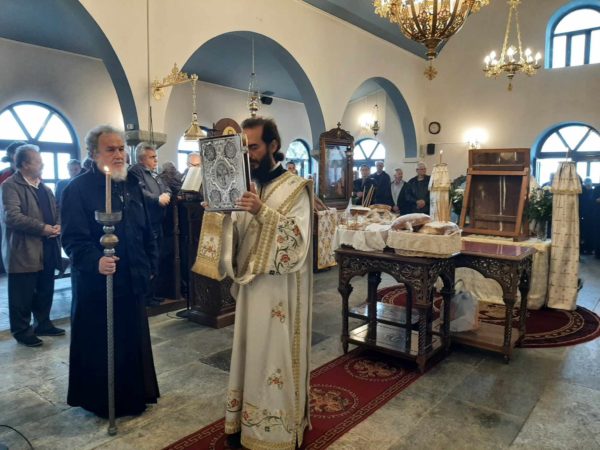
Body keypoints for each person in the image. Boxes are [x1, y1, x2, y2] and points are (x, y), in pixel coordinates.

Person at [195, 117, 312, 449]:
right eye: (243, 148)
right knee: (251, 353)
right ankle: (246, 421)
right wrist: (221, 214)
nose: (248, 155)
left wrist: (262, 211)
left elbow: (297, 243)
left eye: (254, 147)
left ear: (274, 145)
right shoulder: (247, 186)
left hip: (278, 293)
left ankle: (276, 429)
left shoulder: (296, 188)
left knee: (273, 355)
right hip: (250, 290)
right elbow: (238, 237)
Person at [61, 125, 159, 418]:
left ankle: (135, 396)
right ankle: (102, 401)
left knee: (131, 339)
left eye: (121, 149)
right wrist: (96, 261)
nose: (118, 155)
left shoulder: (131, 183)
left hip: (132, 276)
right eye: (110, 149)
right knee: (102, 343)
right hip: (98, 282)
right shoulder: (77, 189)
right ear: (94, 154)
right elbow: (72, 239)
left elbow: (145, 228)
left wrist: (150, 263)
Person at [0, 144, 63, 347]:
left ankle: (43, 323)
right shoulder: (10, 185)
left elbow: (56, 209)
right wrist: (43, 228)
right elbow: (12, 216)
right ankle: (22, 331)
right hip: (23, 249)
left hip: (47, 246)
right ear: (25, 164)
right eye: (38, 161)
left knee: (45, 288)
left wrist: (58, 225)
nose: (42, 164)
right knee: (22, 294)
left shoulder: (44, 187)